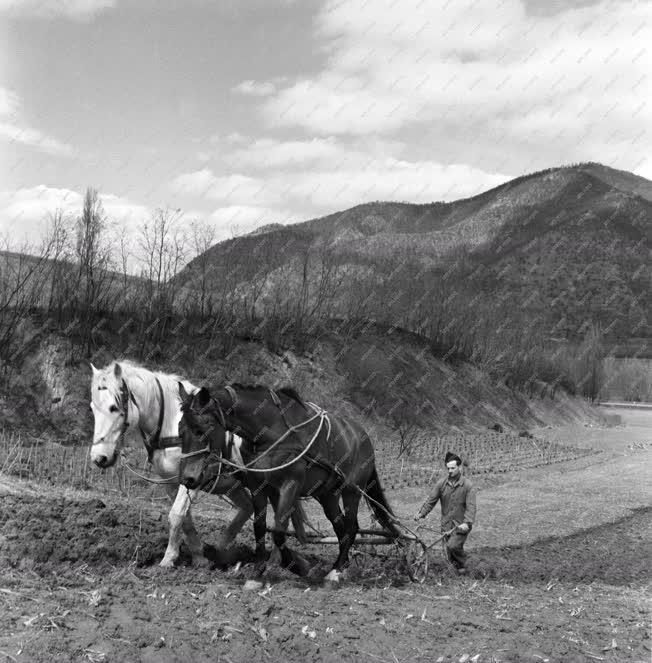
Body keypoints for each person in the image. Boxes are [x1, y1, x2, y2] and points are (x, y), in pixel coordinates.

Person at [413, 451, 477, 574]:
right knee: (449, 555)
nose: (450, 471)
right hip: (446, 525)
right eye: (448, 468)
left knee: (452, 546)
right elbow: (431, 500)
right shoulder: (441, 484)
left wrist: (467, 523)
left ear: (460, 467)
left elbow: (471, 507)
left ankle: (470, 564)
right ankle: (458, 571)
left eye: (453, 468)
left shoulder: (468, 486)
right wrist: (421, 513)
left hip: (460, 525)